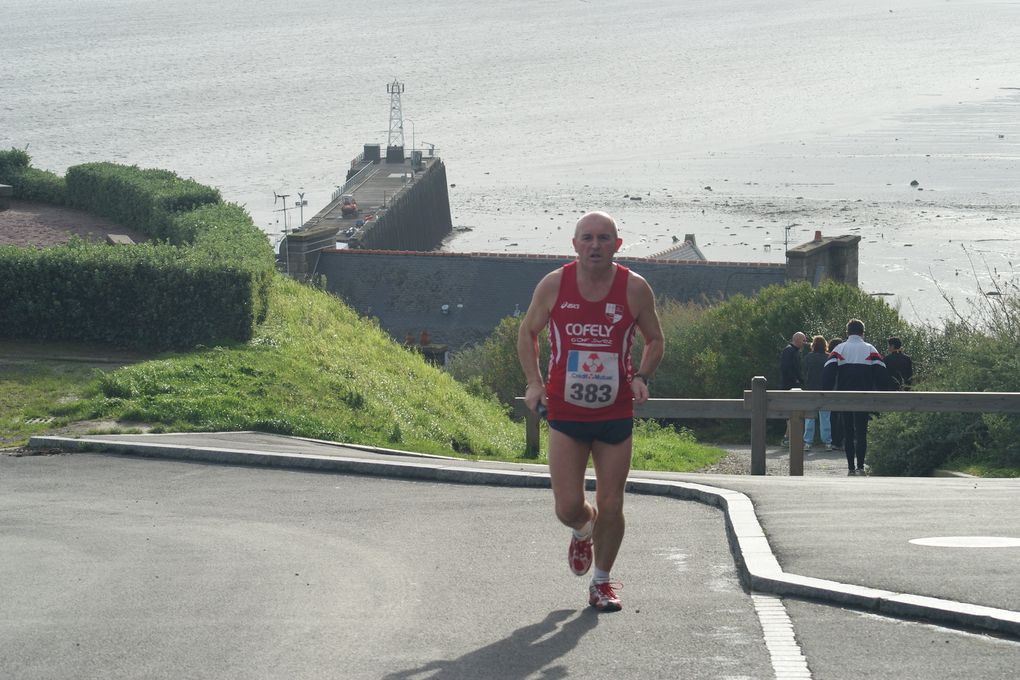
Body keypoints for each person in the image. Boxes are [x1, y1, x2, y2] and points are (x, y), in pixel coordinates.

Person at [517, 211, 664, 612]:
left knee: (612, 502)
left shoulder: (634, 288)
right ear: (575, 244)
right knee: (567, 506)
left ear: (617, 245)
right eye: (588, 238)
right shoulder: (554, 285)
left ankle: (602, 582)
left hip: (614, 409)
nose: (595, 245)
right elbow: (527, 332)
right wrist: (534, 383)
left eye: (604, 238)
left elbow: (655, 339)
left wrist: (643, 376)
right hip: (566, 408)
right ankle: (584, 529)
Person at [822, 320, 890, 475]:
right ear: (862, 332)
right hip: (864, 396)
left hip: (844, 396)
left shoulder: (839, 349)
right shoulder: (870, 349)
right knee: (861, 432)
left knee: (848, 431)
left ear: (847, 332)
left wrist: (826, 392)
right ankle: (860, 466)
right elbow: (882, 374)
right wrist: (883, 392)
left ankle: (850, 468)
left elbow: (828, 373)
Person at [802, 335, 832, 451]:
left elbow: (804, 371)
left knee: (809, 417)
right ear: (825, 345)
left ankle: (808, 442)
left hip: (811, 389)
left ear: (813, 345)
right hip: (824, 390)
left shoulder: (809, 357)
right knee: (825, 418)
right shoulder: (828, 357)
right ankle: (827, 442)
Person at [779, 331, 806, 446]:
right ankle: (788, 438)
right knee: (791, 412)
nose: (805, 343)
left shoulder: (794, 351)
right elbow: (785, 367)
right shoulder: (789, 350)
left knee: (794, 412)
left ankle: (788, 438)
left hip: (794, 385)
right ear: (797, 339)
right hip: (789, 386)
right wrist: (795, 379)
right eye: (803, 340)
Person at [826, 336, 844, 451]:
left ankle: (833, 440)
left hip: (832, 391)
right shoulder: (842, 358)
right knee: (842, 417)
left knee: (832, 417)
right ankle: (840, 440)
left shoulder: (829, 358)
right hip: (841, 390)